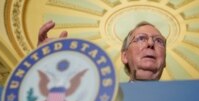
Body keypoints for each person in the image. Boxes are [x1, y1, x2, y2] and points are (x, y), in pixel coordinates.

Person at [38, 20, 166, 81]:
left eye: (158, 41)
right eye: (141, 38)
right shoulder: (100, 97)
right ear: (125, 56)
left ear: (164, 60)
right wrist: (45, 62)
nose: (150, 43)